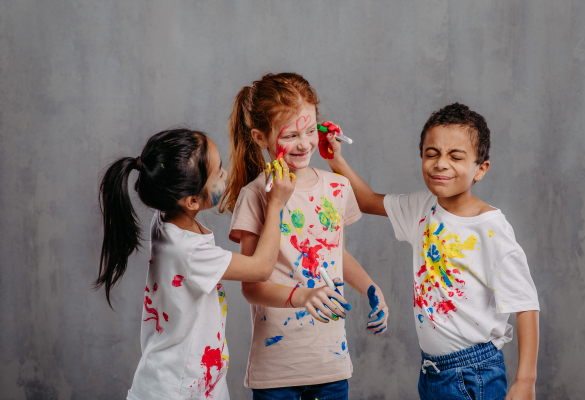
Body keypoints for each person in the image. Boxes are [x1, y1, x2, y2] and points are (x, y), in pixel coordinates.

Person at [323, 103, 540, 400]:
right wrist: (335, 159)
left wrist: (526, 380)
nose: (440, 164)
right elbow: (366, 200)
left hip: (474, 372)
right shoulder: (422, 207)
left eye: (456, 156)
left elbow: (525, 304)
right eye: (432, 153)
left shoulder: (490, 227)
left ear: (481, 169)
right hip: (432, 371)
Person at [219, 72, 389, 400]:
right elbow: (252, 285)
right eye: (291, 135)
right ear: (260, 137)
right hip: (277, 371)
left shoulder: (336, 187)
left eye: (310, 130)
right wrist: (303, 295)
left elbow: (332, 252)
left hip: (331, 364)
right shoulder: (255, 195)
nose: (304, 143)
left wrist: (371, 287)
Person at [95, 128, 294, 400]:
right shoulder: (189, 251)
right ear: (191, 201)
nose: (225, 174)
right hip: (178, 388)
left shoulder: (166, 214)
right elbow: (261, 268)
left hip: (192, 378)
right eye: (219, 172)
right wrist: (276, 205)